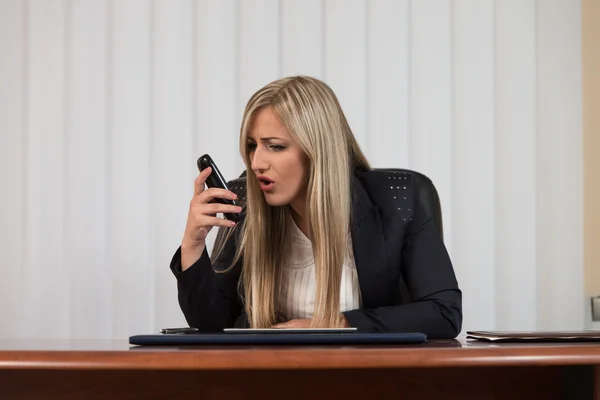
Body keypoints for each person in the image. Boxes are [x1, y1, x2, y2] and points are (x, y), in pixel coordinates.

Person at [170, 76, 462, 338]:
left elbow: (443, 313)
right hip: (272, 381)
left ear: (317, 150)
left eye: (275, 146)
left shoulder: (397, 199)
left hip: (371, 379)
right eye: (252, 145)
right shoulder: (246, 202)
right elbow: (213, 327)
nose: (256, 162)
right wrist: (193, 245)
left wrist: (334, 323)